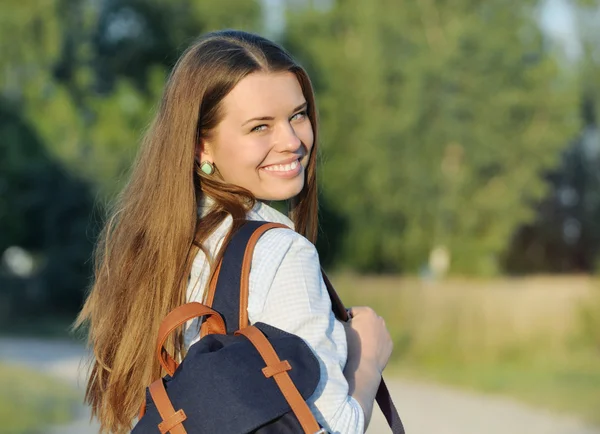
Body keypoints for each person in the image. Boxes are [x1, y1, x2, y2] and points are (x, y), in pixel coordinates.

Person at [76, 29, 393, 434]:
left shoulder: (150, 244)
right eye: (260, 127)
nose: (292, 141)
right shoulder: (282, 253)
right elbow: (332, 427)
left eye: (297, 115)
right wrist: (367, 357)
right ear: (200, 147)